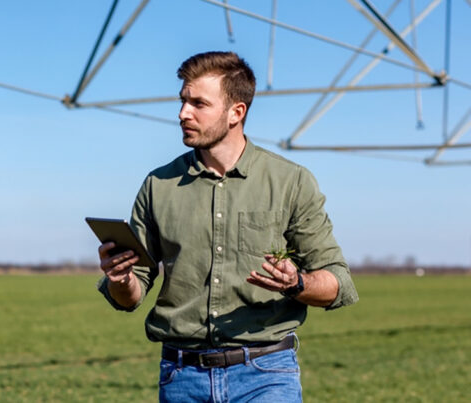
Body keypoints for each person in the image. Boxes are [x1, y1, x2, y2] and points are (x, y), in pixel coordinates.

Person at [96, 51, 358, 402]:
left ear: (236, 112)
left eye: (198, 103)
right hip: (181, 377)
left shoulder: (290, 182)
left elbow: (338, 283)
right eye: (183, 101)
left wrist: (296, 283)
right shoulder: (158, 185)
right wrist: (122, 279)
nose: (182, 113)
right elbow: (130, 297)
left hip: (266, 374)